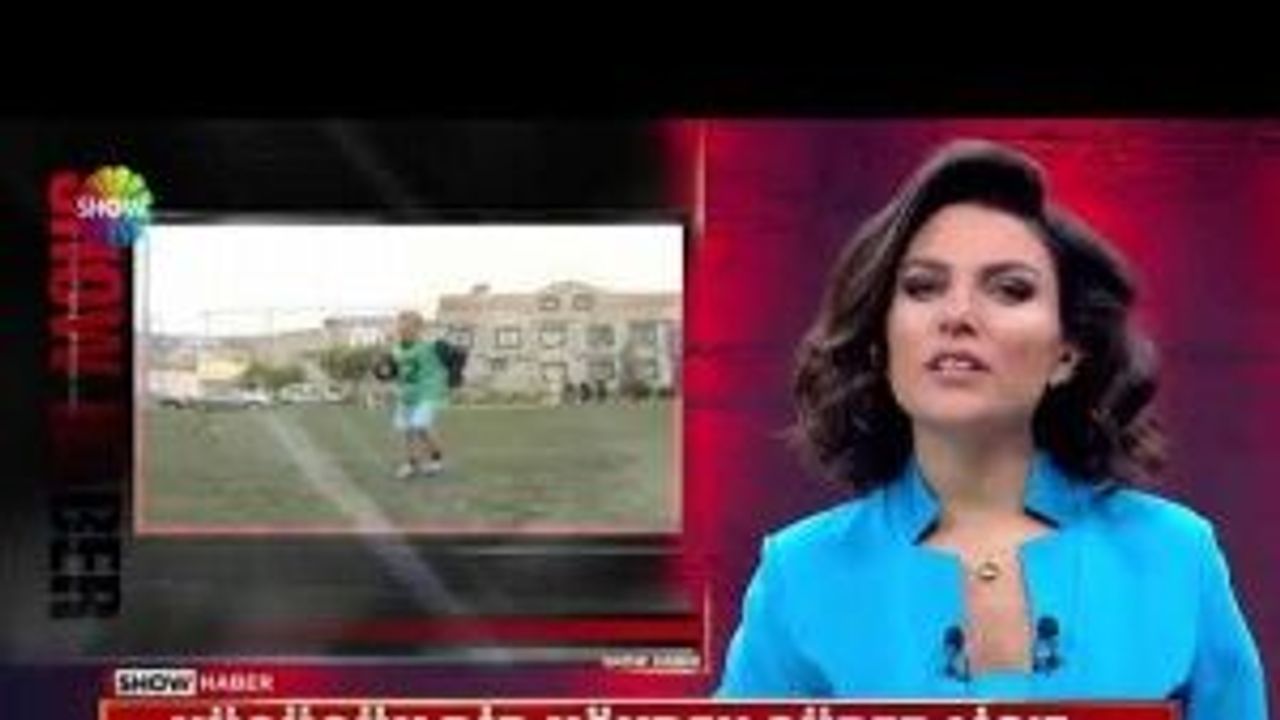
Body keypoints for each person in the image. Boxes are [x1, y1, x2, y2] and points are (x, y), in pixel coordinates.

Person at [716, 140, 1266, 718]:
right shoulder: (800, 573)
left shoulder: (1177, 554)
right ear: (881, 341)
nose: (957, 316)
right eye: (923, 287)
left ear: (1067, 352)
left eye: (1009, 290)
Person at [390, 310, 448, 479]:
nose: (403, 331)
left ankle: (436, 459)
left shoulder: (427, 347)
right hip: (406, 396)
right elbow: (396, 371)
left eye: (407, 328)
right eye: (400, 328)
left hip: (425, 395)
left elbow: (446, 360)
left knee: (421, 427)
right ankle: (411, 464)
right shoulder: (397, 348)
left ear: (418, 329)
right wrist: (389, 376)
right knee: (407, 431)